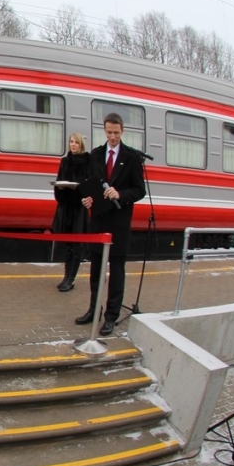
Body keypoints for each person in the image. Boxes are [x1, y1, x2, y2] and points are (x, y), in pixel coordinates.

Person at [75, 113, 146, 336]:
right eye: (109, 133)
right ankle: (94, 310)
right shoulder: (95, 155)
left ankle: (111, 317)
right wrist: (87, 199)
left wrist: (121, 193)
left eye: (116, 133)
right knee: (96, 271)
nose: (112, 137)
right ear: (104, 131)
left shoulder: (132, 157)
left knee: (116, 272)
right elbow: (90, 185)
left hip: (119, 224)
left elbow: (139, 191)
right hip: (97, 221)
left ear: (122, 131)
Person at [51, 132, 93, 293]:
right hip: (65, 207)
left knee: (77, 245)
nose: (73, 144)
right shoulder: (65, 161)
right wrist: (60, 188)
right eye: (71, 142)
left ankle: (71, 279)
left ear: (81, 144)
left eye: (76, 142)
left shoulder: (88, 162)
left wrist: (80, 189)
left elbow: (90, 186)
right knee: (68, 245)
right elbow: (59, 181)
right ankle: (66, 276)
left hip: (79, 208)